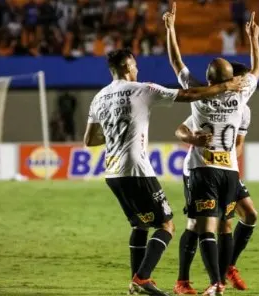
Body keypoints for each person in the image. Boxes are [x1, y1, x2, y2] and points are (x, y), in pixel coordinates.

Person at [84, 48, 244, 296]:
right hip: (136, 169)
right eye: (135, 65)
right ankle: (142, 279)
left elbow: (90, 140)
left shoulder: (99, 98)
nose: (137, 69)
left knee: (139, 225)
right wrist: (226, 87)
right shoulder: (141, 89)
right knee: (166, 225)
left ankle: (136, 282)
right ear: (127, 67)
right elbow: (190, 93)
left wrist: (117, 129)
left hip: (112, 171)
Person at [164, 3, 259, 295]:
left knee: (204, 227)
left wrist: (170, 29)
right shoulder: (241, 95)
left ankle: (215, 282)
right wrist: (254, 38)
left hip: (204, 170)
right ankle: (211, 281)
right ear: (232, 78)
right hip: (228, 171)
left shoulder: (198, 95)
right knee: (214, 226)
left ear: (208, 80)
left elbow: (177, 64)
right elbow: (256, 69)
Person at [174, 101, 258, 294]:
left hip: (226, 171)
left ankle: (227, 268)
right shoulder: (211, 105)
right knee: (196, 224)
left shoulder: (244, 110)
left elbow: (238, 144)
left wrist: (225, 159)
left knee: (248, 214)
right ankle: (183, 281)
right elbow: (180, 130)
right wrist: (193, 139)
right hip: (199, 170)